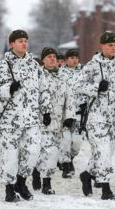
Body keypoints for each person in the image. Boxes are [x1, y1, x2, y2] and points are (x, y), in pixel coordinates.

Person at [0, 30, 52, 202]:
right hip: (10, 120)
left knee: (33, 151)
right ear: (12, 44)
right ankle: (9, 188)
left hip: (31, 118)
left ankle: (21, 182)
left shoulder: (34, 65)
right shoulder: (3, 65)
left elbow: (43, 88)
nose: (24, 43)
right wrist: (7, 89)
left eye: (26, 40)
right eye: (20, 41)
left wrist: (46, 110)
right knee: (10, 156)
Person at [76, 31, 115, 200]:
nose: (113, 48)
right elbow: (78, 85)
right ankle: (106, 188)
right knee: (103, 151)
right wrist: (97, 88)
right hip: (96, 116)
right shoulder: (92, 65)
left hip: (113, 118)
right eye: (110, 45)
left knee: (106, 152)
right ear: (102, 46)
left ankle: (87, 174)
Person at [32, 47, 76, 195]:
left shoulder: (63, 77)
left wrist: (69, 116)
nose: (52, 59)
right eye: (49, 56)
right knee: (45, 152)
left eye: (54, 57)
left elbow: (70, 98)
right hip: (41, 122)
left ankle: (42, 175)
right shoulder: (37, 76)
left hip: (58, 123)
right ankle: (44, 180)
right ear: (43, 59)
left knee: (53, 153)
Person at [59, 49, 85, 178]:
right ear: (66, 59)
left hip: (80, 113)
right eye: (71, 57)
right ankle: (66, 165)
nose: (74, 60)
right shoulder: (60, 73)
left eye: (76, 57)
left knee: (77, 142)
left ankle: (71, 157)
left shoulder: (84, 73)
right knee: (65, 140)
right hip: (64, 114)